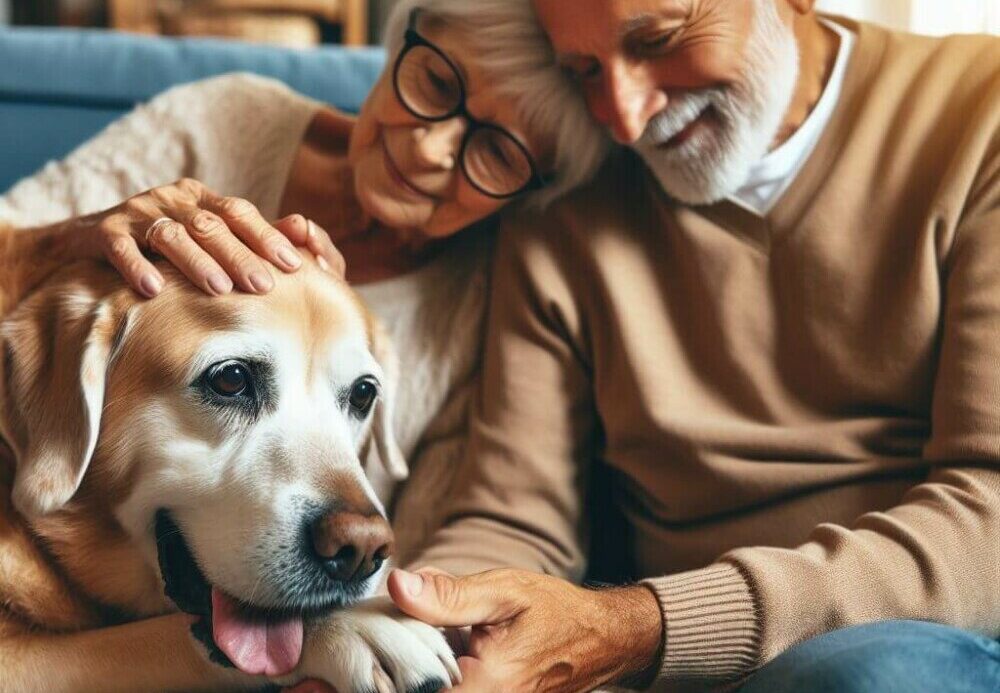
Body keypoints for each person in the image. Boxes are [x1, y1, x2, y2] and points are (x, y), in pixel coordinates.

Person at [378, 1, 1000, 692]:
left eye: (660, 39)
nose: (625, 115)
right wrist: (408, 641)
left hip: (921, 641)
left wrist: (641, 625)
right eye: (583, 70)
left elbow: (991, 519)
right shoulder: (569, 200)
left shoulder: (979, 114)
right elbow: (513, 516)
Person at [0, 0, 606, 564]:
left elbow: (436, 550)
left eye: (499, 153)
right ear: (399, 46)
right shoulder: (226, 120)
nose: (429, 147)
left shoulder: (495, 302)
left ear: (534, 190)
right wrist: (62, 239)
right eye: (437, 82)